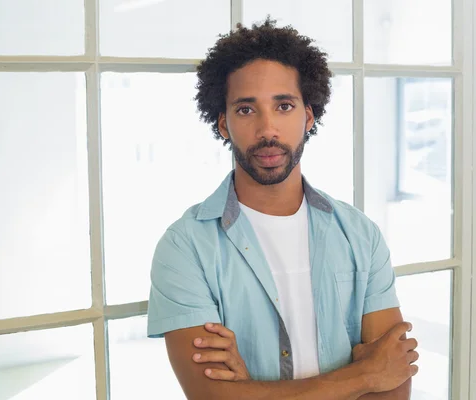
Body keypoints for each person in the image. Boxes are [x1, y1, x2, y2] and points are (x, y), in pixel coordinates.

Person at [147, 17, 419, 400]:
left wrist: (255, 391)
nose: (267, 129)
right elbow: (212, 396)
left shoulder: (360, 235)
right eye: (246, 110)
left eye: (284, 105)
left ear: (308, 116)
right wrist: (363, 376)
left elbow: (393, 383)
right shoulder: (185, 247)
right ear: (223, 124)